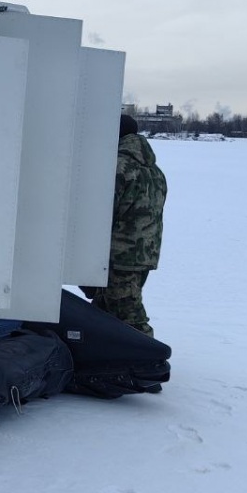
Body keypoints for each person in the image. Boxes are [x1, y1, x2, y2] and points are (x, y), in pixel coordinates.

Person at [83, 113, 168, 336]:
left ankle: (147, 355)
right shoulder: (155, 171)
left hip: (120, 257)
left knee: (130, 318)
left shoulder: (119, 167)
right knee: (103, 311)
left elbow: (101, 215)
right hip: (143, 255)